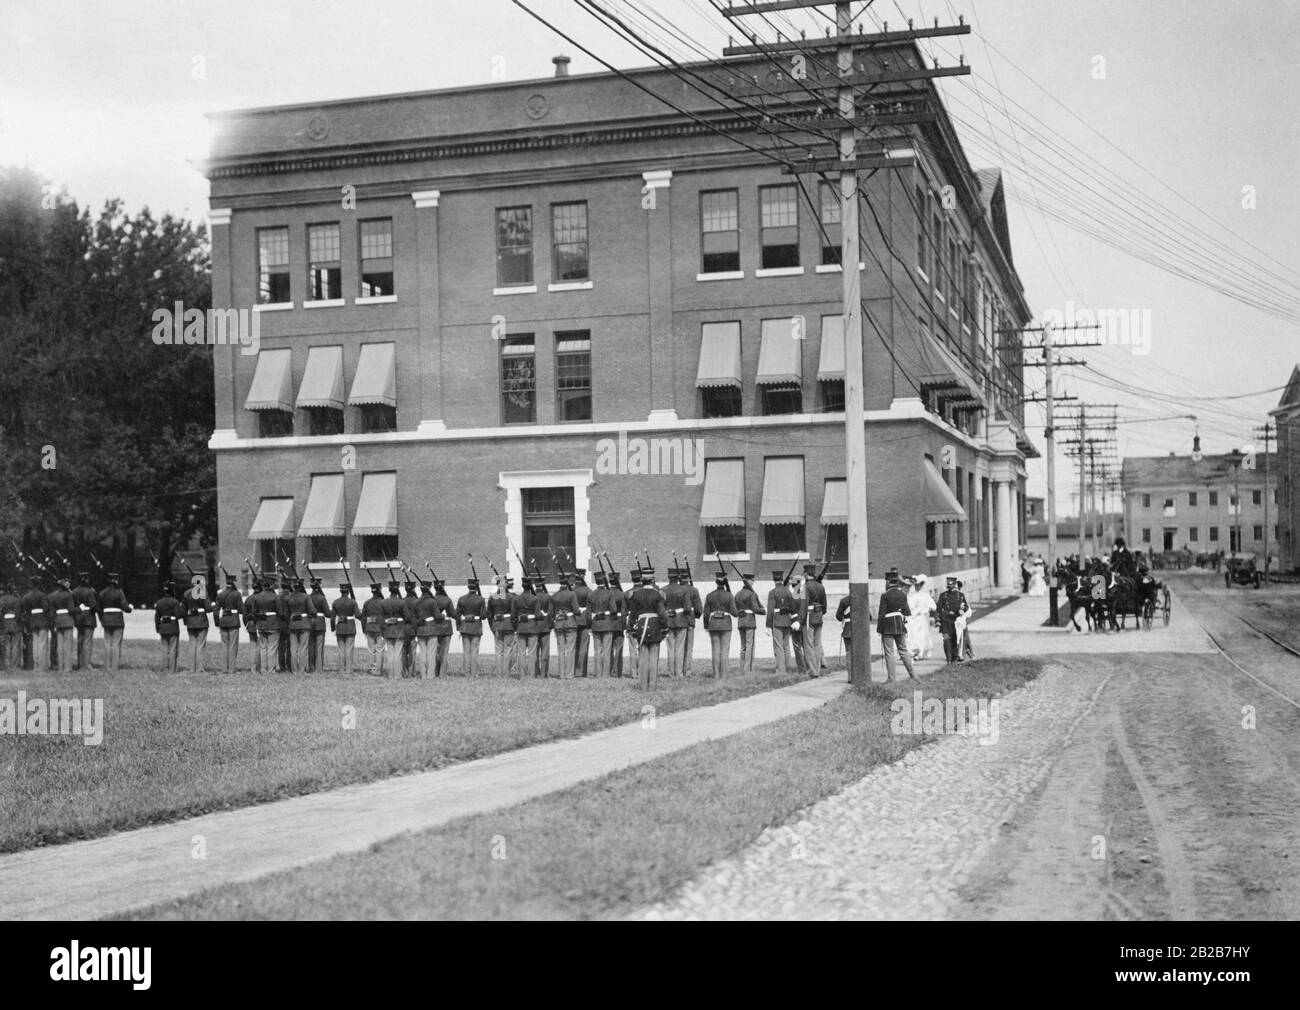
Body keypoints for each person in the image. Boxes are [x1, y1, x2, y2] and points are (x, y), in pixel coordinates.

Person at [626, 567, 669, 691]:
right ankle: (652, 686)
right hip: (655, 626)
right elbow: (662, 614)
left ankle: (643, 686)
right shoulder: (657, 594)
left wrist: (631, 628)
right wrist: (665, 627)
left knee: (643, 658)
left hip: (640, 626)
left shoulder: (635, 594)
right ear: (652, 580)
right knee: (653, 658)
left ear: (642, 580)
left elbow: (633, 614)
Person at [876, 569, 917, 682]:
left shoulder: (885, 595)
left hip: (888, 626)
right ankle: (913, 676)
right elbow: (907, 612)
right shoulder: (903, 595)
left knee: (889, 652)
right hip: (899, 625)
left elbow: (881, 614)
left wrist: (879, 630)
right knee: (903, 650)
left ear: (888, 582)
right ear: (897, 582)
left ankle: (892, 678)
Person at [703, 572, 738, 678]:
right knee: (724, 650)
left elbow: (706, 613)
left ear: (716, 582)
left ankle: (716, 674)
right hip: (726, 624)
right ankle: (724, 674)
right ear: (725, 582)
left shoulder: (710, 595)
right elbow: (735, 613)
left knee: (715, 650)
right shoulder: (729, 595)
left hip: (713, 624)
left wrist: (706, 625)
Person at [766, 571, 798, 676]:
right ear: (782, 578)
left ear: (773, 580)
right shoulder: (788, 592)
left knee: (778, 647)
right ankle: (787, 668)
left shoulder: (772, 592)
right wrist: (794, 621)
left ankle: (780, 670)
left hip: (777, 620)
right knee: (786, 646)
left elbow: (770, 611)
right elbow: (793, 608)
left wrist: (768, 625)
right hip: (787, 620)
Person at [587, 571, 617, 678]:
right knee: (607, 650)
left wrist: (589, 626)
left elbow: (588, 613)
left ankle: (598, 674)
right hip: (607, 624)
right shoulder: (609, 594)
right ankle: (605, 674)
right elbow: (614, 610)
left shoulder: (591, 594)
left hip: (595, 624)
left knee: (597, 651)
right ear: (605, 581)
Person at [662, 567, 692, 678]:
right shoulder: (684, 590)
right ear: (678, 577)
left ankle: (670, 673)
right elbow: (688, 608)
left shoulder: (663, 590)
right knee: (680, 648)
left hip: (668, 621)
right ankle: (679, 673)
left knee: (670, 648)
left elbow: (661, 608)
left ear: (669, 577)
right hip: (681, 621)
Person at [512, 576, 543, 678]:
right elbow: (538, 615)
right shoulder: (534, 599)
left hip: (521, 627)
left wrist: (516, 627)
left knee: (521, 653)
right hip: (532, 627)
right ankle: (531, 674)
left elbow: (513, 616)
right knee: (532, 653)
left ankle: (522, 674)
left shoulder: (516, 599)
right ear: (530, 587)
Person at [550, 574, 579, 679]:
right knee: (571, 649)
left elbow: (551, 613)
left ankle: (562, 674)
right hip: (570, 622)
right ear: (567, 583)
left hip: (558, 623)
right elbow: (576, 610)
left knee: (561, 650)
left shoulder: (554, 595)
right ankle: (569, 674)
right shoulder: (572, 594)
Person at [734, 572, 765, 674]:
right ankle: (747, 669)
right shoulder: (751, 594)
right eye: (752, 580)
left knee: (743, 646)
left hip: (741, 621)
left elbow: (735, 609)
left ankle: (742, 667)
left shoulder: (737, 594)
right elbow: (755, 608)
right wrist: (763, 611)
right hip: (749, 621)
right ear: (749, 581)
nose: (753, 582)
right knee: (749, 645)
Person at [215, 573, 245, 675]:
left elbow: (216, 610)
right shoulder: (237, 594)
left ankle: (224, 669)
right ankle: (232, 669)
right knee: (233, 646)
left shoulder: (220, 594)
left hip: (223, 621)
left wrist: (217, 623)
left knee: (224, 646)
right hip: (233, 621)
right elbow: (241, 610)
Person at [456, 578, 486, 676]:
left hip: (465, 627)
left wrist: (458, 627)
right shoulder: (480, 599)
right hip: (476, 627)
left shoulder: (461, 598)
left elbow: (457, 614)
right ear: (476, 587)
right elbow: (483, 616)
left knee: (466, 651)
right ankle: (474, 672)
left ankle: (466, 672)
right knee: (474, 651)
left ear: (468, 586)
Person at [487, 576, 516, 677]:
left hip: (497, 625)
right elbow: (513, 614)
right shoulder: (511, 597)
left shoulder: (492, 597)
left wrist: (492, 626)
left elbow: (489, 615)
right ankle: (506, 673)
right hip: (508, 625)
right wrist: (514, 626)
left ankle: (499, 674)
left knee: (498, 651)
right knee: (507, 650)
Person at [285, 578, 315, 675]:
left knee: (293, 649)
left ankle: (294, 670)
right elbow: (312, 611)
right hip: (304, 623)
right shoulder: (306, 597)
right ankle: (301, 670)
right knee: (303, 648)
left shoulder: (288, 598)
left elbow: (286, 613)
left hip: (293, 623)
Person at [20, 576, 50, 671]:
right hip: (42, 621)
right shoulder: (43, 595)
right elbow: (46, 608)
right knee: (42, 644)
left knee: (35, 644)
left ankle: (36, 666)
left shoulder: (26, 597)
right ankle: (42, 666)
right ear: (38, 584)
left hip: (32, 621)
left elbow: (25, 610)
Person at [47, 575, 77, 674]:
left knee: (60, 645)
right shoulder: (68, 595)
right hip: (67, 620)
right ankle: (67, 667)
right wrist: (80, 608)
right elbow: (71, 610)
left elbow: (52, 611)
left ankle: (60, 666)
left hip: (58, 621)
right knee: (67, 645)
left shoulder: (53, 596)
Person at [413, 579, 442, 679]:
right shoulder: (432, 601)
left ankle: (423, 674)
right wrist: (442, 616)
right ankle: (430, 674)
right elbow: (437, 616)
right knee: (431, 653)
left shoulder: (416, 602)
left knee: (423, 653)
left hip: (421, 629)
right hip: (431, 628)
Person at [801, 564, 827, 675]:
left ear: (806, 574)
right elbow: (825, 605)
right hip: (819, 615)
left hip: (809, 616)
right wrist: (820, 613)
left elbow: (803, 604)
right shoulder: (821, 586)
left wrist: (799, 619)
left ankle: (812, 670)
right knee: (817, 644)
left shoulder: (805, 587)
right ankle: (817, 668)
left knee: (808, 644)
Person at [936, 576, 968, 663]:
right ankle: (948, 658)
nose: (949, 586)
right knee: (946, 639)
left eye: (951, 584)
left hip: (956, 621)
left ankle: (954, 657)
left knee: (954, 639)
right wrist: (940, 617)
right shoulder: (943, 595)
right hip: (945, 620)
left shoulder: (960, 596)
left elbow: (965, 607)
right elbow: (938, 609)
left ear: (954, 584)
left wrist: (961, 611)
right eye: (948, 584)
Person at [72, 571, 98, 671]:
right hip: (89, 618)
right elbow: (93, 606)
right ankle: (86, 664)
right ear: (87, 579)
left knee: (80, 641)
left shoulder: (74, 591)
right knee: (87, 642)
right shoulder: (90, 591)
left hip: (78, 617)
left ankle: (80, 663)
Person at [154, 581, 182, 674]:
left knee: (164, 649)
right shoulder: (175, 602)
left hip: (163, 627)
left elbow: (156, 617)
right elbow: (178, 615)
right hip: (173, 626)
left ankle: (165, 668)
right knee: (173, 649)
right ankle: (172, 669)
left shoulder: (159, 602)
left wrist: (158, 628)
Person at [331, 582, 359, 674]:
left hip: (340, 626)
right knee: (349, 649)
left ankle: (341, 669)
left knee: (341, 650)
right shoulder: (352, 602)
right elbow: (358, 615)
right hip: (350, 626)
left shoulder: (335, 602)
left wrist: (332, 628)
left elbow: (332, 617)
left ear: (340, 591)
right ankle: (349, 669)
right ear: (348, 591)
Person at [381, 580, 406, 679]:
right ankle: (397, 675)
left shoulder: (383, 602)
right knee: (398, 653)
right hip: (399, 629)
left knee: (390, 653)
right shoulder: (401, 602)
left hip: (388, 629)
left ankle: (390, 674)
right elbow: (407, 617)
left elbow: (381, 618)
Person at [906, 575, 935, 660]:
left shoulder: (925, 595)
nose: (917, 587)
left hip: (921, 618)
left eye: (919, 585)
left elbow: (933, 606)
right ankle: (914, 651)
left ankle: (921, 653)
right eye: (915, 585)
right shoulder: (911, 595)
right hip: (913, 618)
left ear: (922, 586)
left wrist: (924, 610)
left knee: (921, 635)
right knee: (913, 635)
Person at [361, 581, 387, 676]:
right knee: (380, 650)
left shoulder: (367, 603)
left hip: (369, 628)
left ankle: (372, 668)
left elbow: (363, 618)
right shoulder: (383, 602)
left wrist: (364, 629)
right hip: (380, 629)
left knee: (371, 649)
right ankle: (378, 670)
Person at [572, 569, 591, 678]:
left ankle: (574, 670)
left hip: (574, 620)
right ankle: (582, 671)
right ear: (583, 576)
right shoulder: (588, 590)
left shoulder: (572, 590)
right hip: (584, 621)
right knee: (583, 647)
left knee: (575, 647)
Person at [683, 570, 703, 678]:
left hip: (677, 621)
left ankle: (678, 669)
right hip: (690, 620)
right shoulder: (693, 590)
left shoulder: (678, 589)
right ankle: (687, 670)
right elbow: (699, 608)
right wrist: (696, 615)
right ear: (688, 579)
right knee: (688, 647)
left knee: (679, 647)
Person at [307, 577, 329, 672]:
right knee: (319, 647)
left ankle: (311, 667)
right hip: (320, 622)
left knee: (311, 646)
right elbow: (327, 613)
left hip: (310, 622)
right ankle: (319, 667)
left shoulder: (308, 597)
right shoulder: (322, 598)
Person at [534, 575, 553, 678]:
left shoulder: (533, 597)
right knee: (545, 652)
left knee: (535, 652)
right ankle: (544, 673)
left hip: (534, 626)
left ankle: (535, 671)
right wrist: (550, 626)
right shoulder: (547, 597)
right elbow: (550, 613)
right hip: (545, 627)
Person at [0, 582, 22, 671]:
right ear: (12, 590)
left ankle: (7, 665)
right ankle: (14, 666)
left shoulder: (1, 600)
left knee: (6, 646)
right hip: (14, 624)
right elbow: (18, 614)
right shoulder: (16, 600)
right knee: (16, 645)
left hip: (4, 624)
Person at [957, 580, 976, 659]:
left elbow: (968, 611)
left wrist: (962, 613)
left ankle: (962, 653)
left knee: (962, 637)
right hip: (951, 621)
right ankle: (958, 653)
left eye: (956, 588)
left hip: (960, 621)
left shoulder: (961, 598)